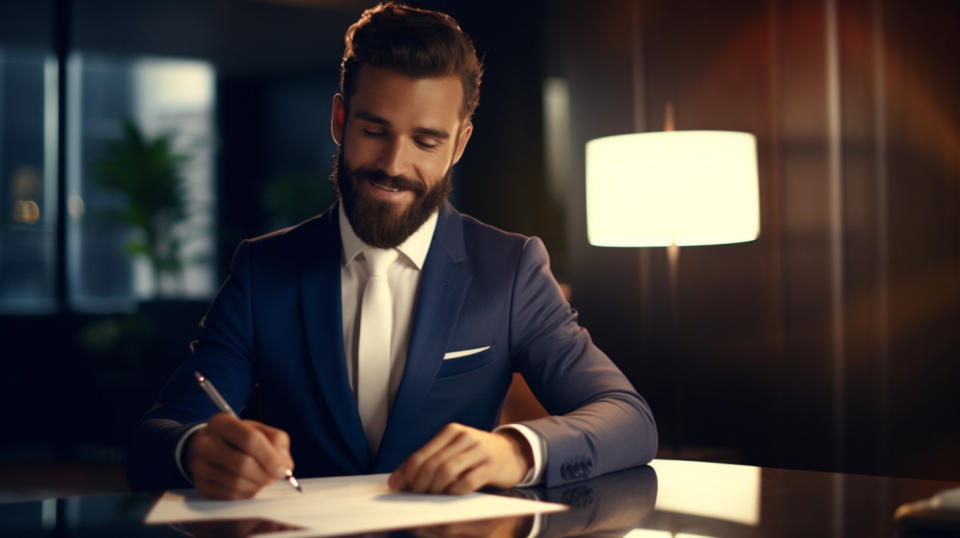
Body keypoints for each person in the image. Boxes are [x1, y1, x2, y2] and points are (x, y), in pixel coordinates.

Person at [127, 2, 657, 500]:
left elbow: (628, 418)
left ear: (459, 144)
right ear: (340, 121)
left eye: (425, 141)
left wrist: (514, 450)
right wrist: (195, 450)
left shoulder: (511, 268)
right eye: (374, 130)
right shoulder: (262, 270)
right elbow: (157, 435)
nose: (393, 164)